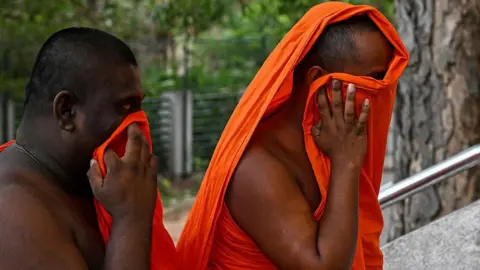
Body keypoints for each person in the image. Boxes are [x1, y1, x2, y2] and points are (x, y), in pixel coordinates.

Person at [177, 2, 409, 270]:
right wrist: (346, 163)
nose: (382, 92)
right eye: (374, 79)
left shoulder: (331, 142)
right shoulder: (257, 167)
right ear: (318, 82)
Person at [0, 27, 177, 269]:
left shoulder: (84, 183)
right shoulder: (13, 212)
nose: (138, 126)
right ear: (67, 111)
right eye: (125, 107)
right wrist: (131, 220)